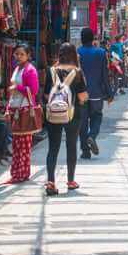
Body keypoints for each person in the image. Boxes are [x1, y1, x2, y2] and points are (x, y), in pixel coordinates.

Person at [44, 43, 89, 195]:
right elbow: (83, 96)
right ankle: (70, 181)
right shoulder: (77, 72)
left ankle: (51, 182)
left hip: (53, 114)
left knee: (53, 148)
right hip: (72, 114)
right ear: (74, 55)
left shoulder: (52, 71)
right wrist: (81, 101)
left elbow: (45, 95)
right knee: (71, 146)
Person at [7, 44, 39, 182]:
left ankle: (22, 174)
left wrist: (18, 87)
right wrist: (8, 108)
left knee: (24, 145)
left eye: (21, 54)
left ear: (28, 55)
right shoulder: (17, 69)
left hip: (24, 111)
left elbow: (34, 91)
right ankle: (16, 174)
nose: (18, 57)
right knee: (16, 144)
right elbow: (13, 93)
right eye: (16, 54)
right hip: (15, 110)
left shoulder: (30, 70)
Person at [78, 28, 112, 159]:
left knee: (82, 123)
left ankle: (85, 151)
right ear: (93, 38)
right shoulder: (101, 52)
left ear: (81, 38)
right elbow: (105, 75)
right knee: (97, 116)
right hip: (97, 92)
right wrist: (109, 94)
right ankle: (92, 136)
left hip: (81, 94)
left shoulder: (77, 52)